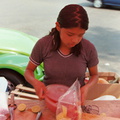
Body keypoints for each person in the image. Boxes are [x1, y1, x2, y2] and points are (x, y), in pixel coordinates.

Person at [24, 4, 99, 105]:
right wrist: (36, 83)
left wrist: (87, 87)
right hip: (49, 100)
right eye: (70, 34)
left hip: (74, 102)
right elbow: (28, 71)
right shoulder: (44, 44)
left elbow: (94, 75)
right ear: (58, 26)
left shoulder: (88, 48)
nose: (75, 40)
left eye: (80, 35)